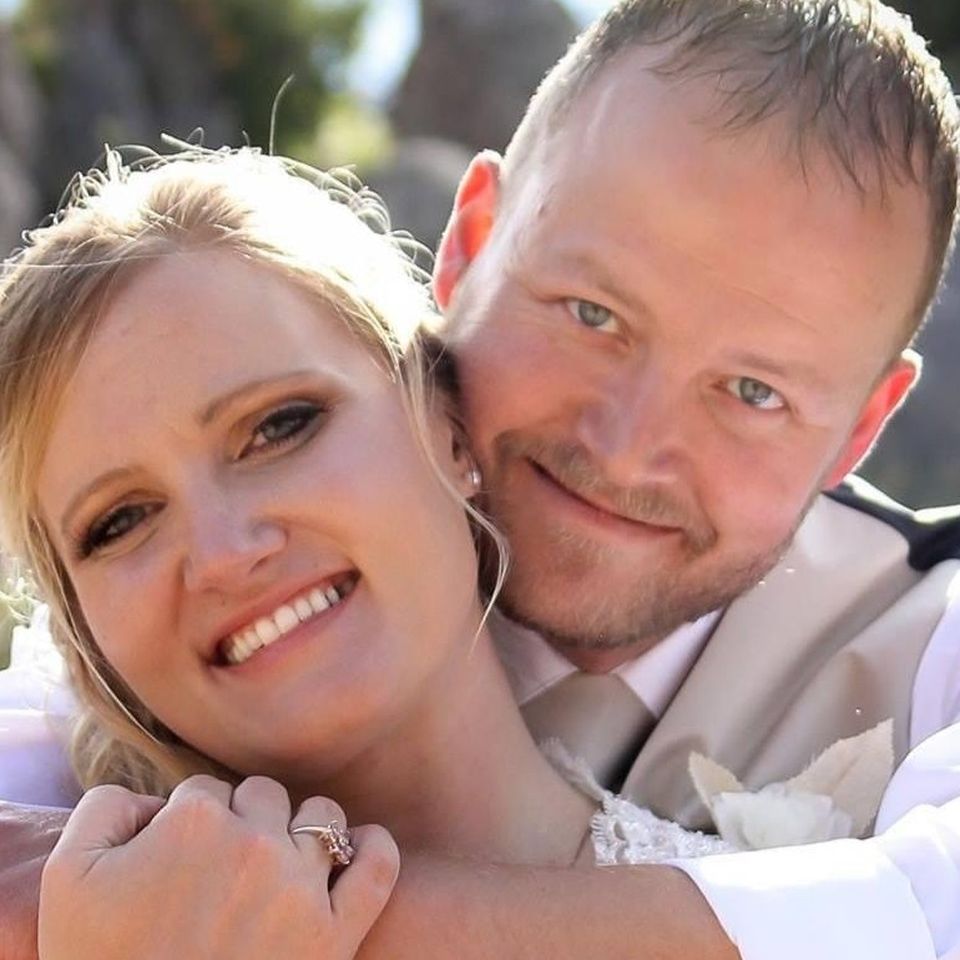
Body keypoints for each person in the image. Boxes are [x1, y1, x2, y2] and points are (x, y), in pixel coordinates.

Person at [2, 0, 959, 957]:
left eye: (754, 392)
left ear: (861, 428)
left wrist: (269, 910)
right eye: (590, 313)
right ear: (468, 242)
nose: (627, 450)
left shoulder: (933, 643)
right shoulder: (131, 660)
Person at [0, 145, 737, 960]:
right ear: (83, 634)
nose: (222, 553)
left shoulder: (786, 918)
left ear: (449, 428)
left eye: (279, 427)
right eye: (120, 521)